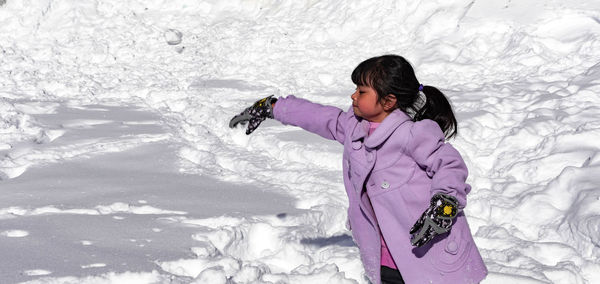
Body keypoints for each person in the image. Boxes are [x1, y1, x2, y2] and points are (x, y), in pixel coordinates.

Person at [229, 55, 488, 284]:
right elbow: (320, 116)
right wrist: (273, 107)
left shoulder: (413, 134)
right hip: (384, 256)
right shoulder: (354, 127)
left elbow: (449, 164)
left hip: (428, 247)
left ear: (388, 101)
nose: (353, 96)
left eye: (362, 91)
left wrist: (445, 204)